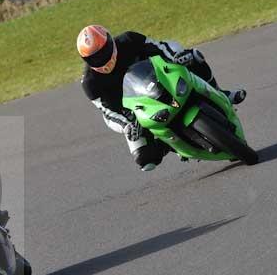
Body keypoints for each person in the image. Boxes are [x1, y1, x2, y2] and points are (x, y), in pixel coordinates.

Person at [76, 25, 247, 171]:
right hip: (135, 108)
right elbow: (107, 112)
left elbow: (160, 46)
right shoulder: (90, 82)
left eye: (103, 52)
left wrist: (175, 57)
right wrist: (126, 125)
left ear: (110, 42)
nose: (101, 59)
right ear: (85, 59)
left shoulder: (129, 40)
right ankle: (169, 145)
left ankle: (219, 92)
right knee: (145, 159)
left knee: (194, 56)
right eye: (93, 58)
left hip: (161, 78)